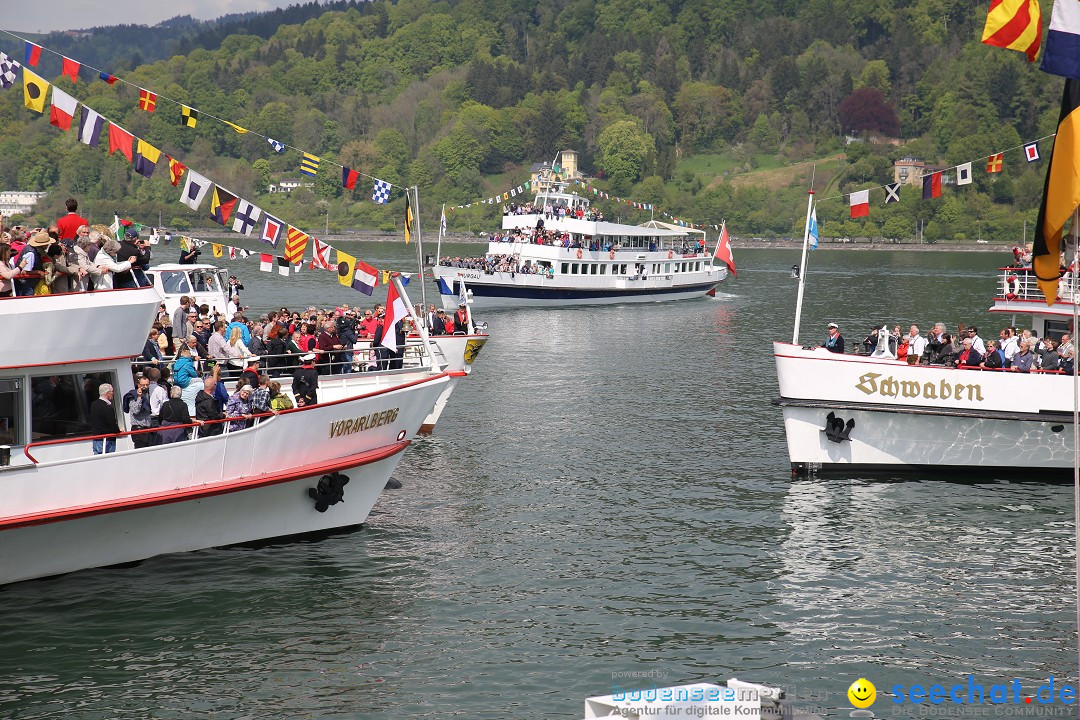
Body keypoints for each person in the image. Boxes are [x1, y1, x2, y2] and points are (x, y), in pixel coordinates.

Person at [122, 375, 154, 449]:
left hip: (148, 429)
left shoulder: (146, 395)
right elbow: (135, 410)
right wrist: (139, 398)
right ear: (138, 385)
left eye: (147, 385)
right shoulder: (133, 396)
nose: (145, 387)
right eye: (143, 385)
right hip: (139, 430)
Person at [89, 383, 118, 454]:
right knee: (108, 460)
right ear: (108, 393)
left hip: (96, 438)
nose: (113, 394)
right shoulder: (107, 408)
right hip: (106, 439)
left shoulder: (93, 404)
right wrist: (119, 432)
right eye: (112, 392)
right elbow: (112, 425)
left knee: (99, 460)